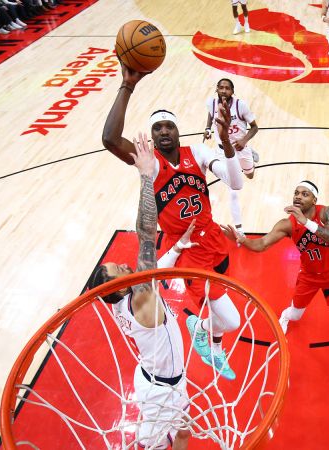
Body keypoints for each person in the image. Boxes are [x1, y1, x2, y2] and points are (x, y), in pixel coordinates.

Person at [102, 64, 245, 381]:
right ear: (151, 136)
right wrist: (127, 86)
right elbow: (110, 138)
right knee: (232, 318)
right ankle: (204, 328)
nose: (163, 131)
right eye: (157, 128)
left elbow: (236, 183)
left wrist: (225, 145)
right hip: (187, 250)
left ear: (178, 131)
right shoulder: (149, 164)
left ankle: (211, 339)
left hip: (214, 240)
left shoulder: (197, 151)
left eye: (169, 126)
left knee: (220, 311)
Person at [89, 134, 194, 449]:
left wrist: (176, 247)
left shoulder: (127, 301)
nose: (124, 265)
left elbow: (156, 264)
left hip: (162, 379)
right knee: (152, 444)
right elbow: (146, 235)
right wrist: (147, 178)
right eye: (119, 271)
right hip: (160, 391)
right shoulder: (143, 299)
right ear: (120, 289)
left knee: (185, 432)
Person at [221, 181, 329, 398]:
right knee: (295, 314)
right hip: (309, 277)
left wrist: (307, 223)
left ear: (314, 199)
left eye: (304, 194)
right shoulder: (287, 224)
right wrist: (243, 241)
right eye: (296, 193)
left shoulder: (327, 213)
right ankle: (285, 315)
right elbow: (262, 244)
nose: (298, 196)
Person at [203, 78, 259, 238]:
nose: (224, 91)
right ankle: (239, 228)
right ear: (217, 90)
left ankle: (252, 154)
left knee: (250, 175)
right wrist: (208, 128)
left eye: (227, 88)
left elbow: (255, 127)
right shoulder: (212, 103)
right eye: (221, 88)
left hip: (241, 148)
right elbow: (210, 114)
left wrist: (244, 140)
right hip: (223, 152)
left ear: (232, 91)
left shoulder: (241, 105)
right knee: (233, 190)